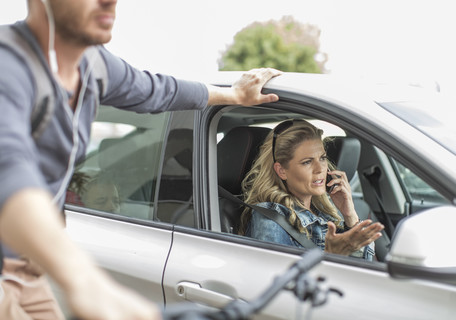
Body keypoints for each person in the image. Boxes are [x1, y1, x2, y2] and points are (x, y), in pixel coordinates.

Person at [0, 0, 282, 319]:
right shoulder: (8, 65)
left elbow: (156, 90)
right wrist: (84, 280)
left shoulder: (92, 65)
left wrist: (231, 96)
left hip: (25, 268)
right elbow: (9, 173)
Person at [240, 120, 384, 260]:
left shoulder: (324, 215)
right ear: (282, 170)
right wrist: (331, 256)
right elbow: (278, 279)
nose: (320, 168)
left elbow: (363, 270)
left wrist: (350, 215)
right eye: (307, 162)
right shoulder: (271, 218)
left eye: (322, 158)